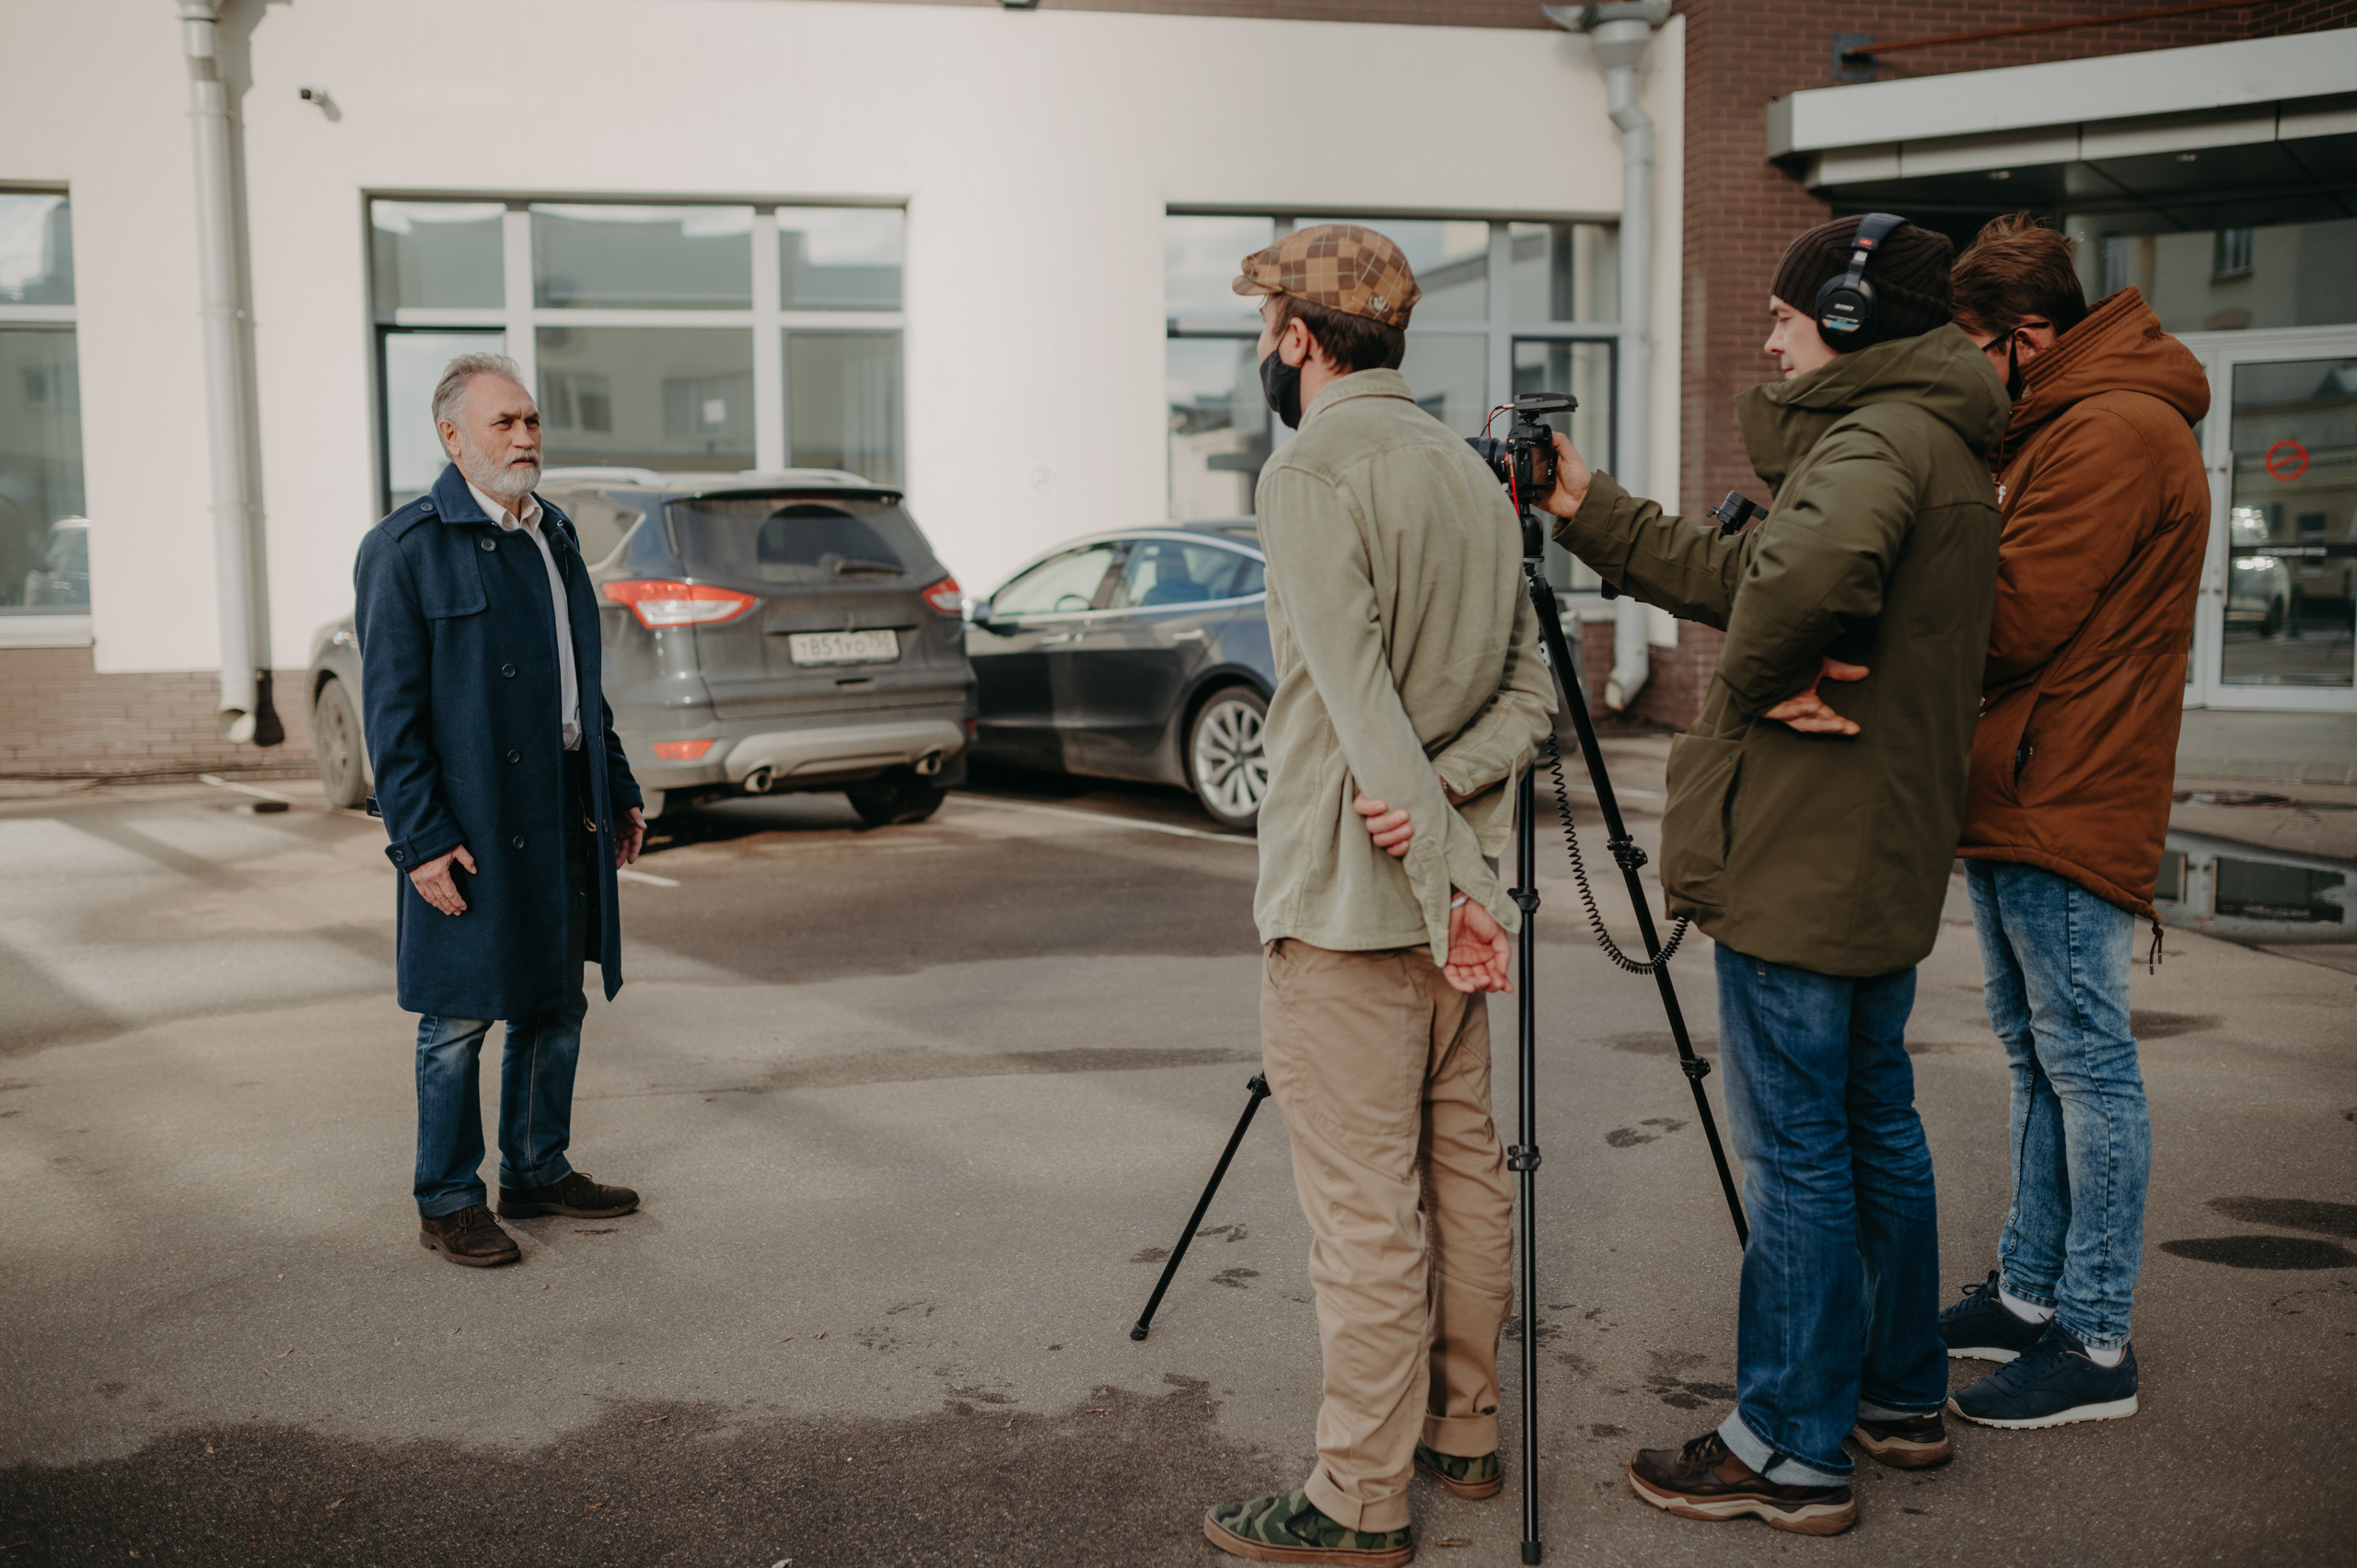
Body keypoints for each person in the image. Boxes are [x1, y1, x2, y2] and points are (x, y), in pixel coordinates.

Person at [1535, 215, 2009, 1535]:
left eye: (1790, 317)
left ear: (1852, 322)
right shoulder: (1933, 441)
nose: (1769, 336)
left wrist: (1753, 679)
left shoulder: (1870, 440)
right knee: (1872, 1123)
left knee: (1800, 1146)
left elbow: (1789, 589)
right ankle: (1900, 1397)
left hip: (1811, 848)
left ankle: (1789, 1445)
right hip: (1871, 847)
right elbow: (1752, 571)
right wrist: (1589, 508)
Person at [1200, 225, 1556, 1568]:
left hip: (1356, 907)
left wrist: (1440, 870)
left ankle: (1357, 1496)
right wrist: (1463, 858)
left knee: (1363, 1210)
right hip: (1445, 902)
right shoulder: (1470, 473)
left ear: (1297, 338)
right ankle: (1462, 1427)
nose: (1260, 350)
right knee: (1462, 1169)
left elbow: (1357, 711)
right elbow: (1530, 692)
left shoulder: (1310, 472)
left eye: (1263, 328)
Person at [1936, 215, 2210, 1428]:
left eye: (1971, 348)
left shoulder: (2109, 429)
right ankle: (2034, 1291)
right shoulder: (2064, 418)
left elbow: (2011, 620)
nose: (1962, 372)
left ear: (2028, 336)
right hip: (2029, 776)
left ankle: (2096, 1339)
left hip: (2068, 783)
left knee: (2087, 1058)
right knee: (2040, 1049)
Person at [355, 354, 648, 1269]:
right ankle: (447, 1197)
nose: (525, 438)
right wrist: (422, 841)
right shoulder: (404, 548)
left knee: (556, 999)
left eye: (530, 421)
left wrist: (618, 782)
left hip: (565, 800)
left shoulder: (552, 533)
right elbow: (391, 721)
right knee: (459, 1017)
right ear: (451, 436)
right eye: (503, 423)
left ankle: (535, 1166)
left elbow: (579, 686)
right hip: (471, 816)